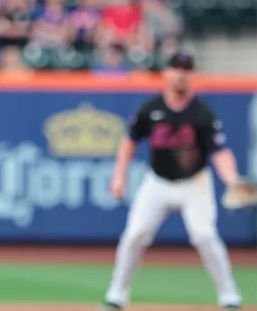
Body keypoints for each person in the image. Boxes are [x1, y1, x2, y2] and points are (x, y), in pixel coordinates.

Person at [101, 52, 242, 311]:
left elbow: (220, 152)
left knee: (204, 236)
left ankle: (229, 296)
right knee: (134, 235)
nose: (181, 73)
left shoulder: (202, 113)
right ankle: (116, 295)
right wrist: (119, 175)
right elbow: (129, 140)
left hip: (194, 183)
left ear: (191, 75)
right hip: (158, 181)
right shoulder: (151, 108)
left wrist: (232, 179)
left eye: (186, 69)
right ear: (166, 72)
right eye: (176, 68)